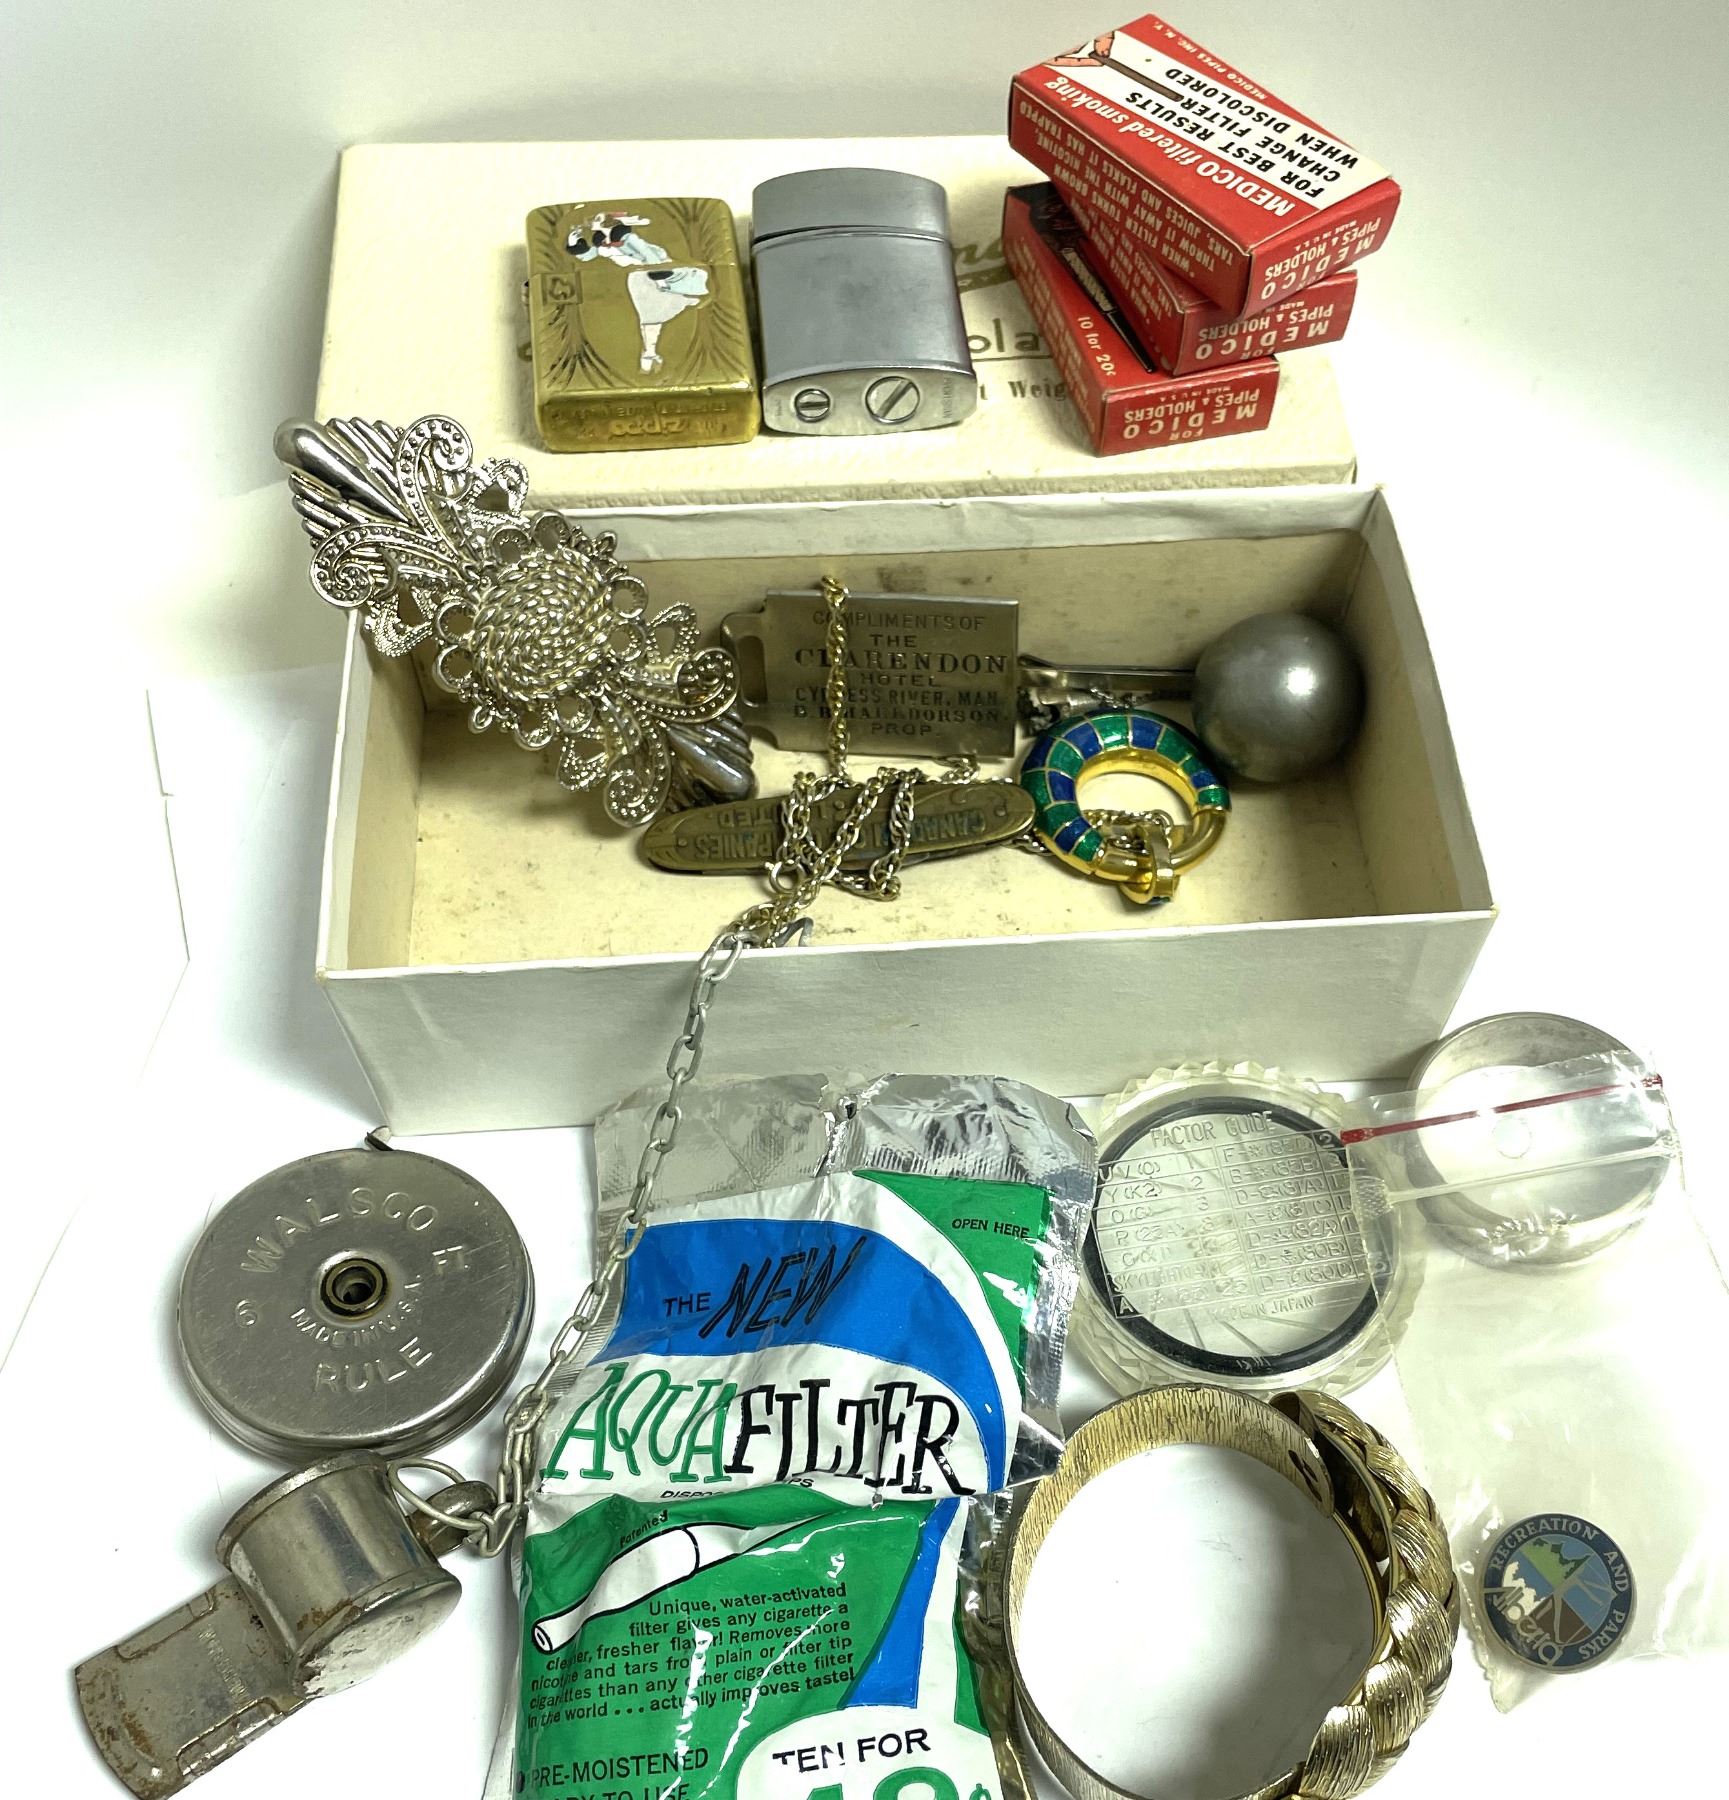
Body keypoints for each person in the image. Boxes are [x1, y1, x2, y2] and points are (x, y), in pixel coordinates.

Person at [566, 211, 710, 372]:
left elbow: (649, 254)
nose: (592, 220)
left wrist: (659, 277)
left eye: (598, 218)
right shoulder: (603, 242)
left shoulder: (629, 239)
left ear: (610, 222)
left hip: (652, 272)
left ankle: (649, 353)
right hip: (638, 279)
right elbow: (589, 255)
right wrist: (573, 242)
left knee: (652, 315)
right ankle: (650, 352)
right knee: (649, 316)